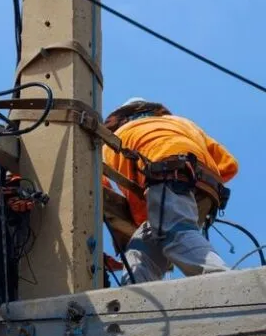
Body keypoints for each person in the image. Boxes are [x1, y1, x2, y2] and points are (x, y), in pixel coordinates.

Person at [102, 97, 239, 285]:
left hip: (168, 174)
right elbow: (229, 164)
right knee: (141, 248)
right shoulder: (183, 124)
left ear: (123, 118)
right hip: (208, 190)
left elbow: (93, 184)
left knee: (175, 233)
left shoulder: (115, 137)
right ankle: (134, 300)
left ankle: (228, 283)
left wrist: (118, 237)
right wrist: (199, 178)